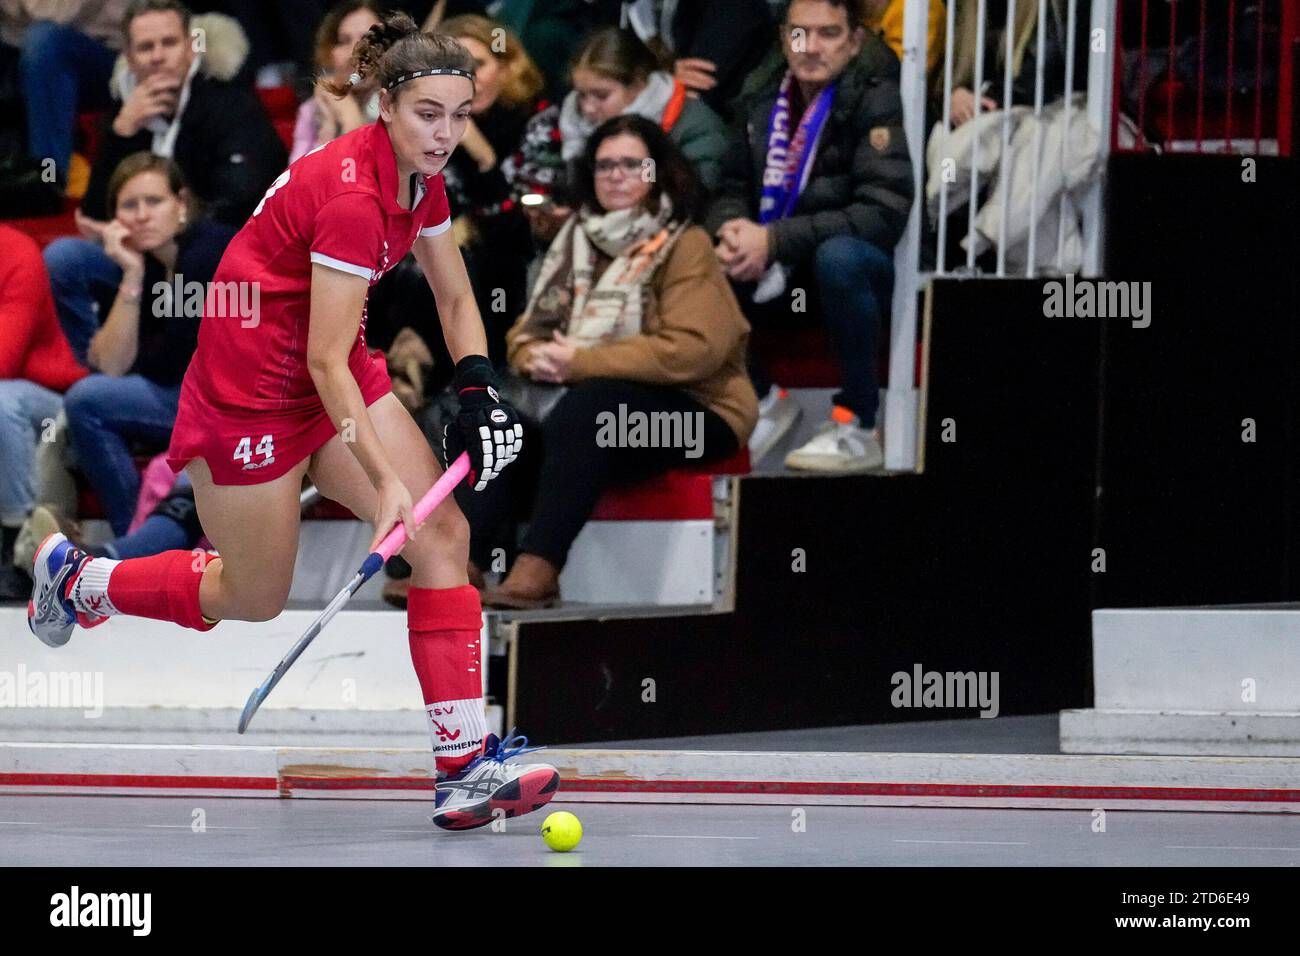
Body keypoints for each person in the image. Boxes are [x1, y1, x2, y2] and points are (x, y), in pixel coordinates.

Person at [27, 12, 555, 833]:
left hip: (334, 359)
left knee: (441, 535)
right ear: (385, 104)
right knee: (253, 594)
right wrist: (382, 484)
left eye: (459, 116)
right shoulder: (350, 195)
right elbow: (319, 363)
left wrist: (480, 386)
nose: (446, 133)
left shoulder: (424, 177)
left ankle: (461, 769)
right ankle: (81, 580)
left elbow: (455, 296)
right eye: (428, 114)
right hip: (253, 390)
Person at [458, 115, 757, 609]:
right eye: (604, 166)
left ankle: (538, 569)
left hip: (701, 414)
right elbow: (527, 332)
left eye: (630, 164)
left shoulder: (686, 244)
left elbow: (693, 351)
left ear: (657, 172)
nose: (616, 175)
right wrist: (538, 356)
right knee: (495, 417)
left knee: (591, 409)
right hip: (588, 403)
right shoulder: (575, 239)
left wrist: (580, 362)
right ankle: (460, 565)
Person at [704, 0, 912, 472]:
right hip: (777, 263)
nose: (811, 47)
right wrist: (732, 229)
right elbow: (729, 186)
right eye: (799, 34)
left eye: (828, 34)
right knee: (692, 252)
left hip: (854, 272)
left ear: (856, 41)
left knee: (839, 258)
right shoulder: (761, 92)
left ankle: (859, 423)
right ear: (783, 38)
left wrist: (775, 239)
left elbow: (883, 212)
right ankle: (760, 398)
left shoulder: (875, 94)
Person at [60, 153, 234, 539]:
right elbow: (113, 366)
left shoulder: (208, 251)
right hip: (192, 397)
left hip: (233, 406)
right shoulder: (152, 264)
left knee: (86, 401)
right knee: (88, 399)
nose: (141, 215)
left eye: (153, 201)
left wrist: (132, 355)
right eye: (129, 206)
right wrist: (133, 274)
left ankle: (129, 546)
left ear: (182, 203)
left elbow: (170, 363)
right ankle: (133, 546)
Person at [0, 226, 88, 601]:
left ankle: (16, 541)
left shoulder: (15, 251)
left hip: (49, 398)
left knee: (1, 401)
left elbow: (5, 358)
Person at [289, 0, 383, 164]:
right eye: (343, 40)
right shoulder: (312, 110)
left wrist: (350, 117)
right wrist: (328, 129)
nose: (355, 52)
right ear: (329, 52)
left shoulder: (401, 108)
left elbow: (370, 180)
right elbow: (296, 185)